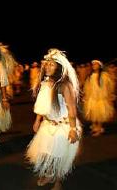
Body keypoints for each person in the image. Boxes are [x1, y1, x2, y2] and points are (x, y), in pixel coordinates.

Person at [26, 49, 82, 190]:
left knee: (58, 157)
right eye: (47, 64)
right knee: (45, 153)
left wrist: (73, 129)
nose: (47, 67)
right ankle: (48, 174)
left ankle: (57, 183)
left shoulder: (64, 85)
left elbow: (72, 109)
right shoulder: (46, 83)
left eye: (52, 64)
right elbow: (42, 104)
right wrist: (37, 120)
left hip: (62, 127)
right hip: (47, 125)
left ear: (59, 67)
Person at [83, 60, 115, 136]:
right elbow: (87, 87)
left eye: (96, 64)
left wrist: (109, 95)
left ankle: (99, 128)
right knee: (93, 113)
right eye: (93, 65)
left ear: (100, 66)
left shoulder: (104, 75)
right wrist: (86, 96)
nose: (94, 66)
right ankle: (94, 126)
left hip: (101, 98)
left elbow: (109, 85)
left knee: (100, 114)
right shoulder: (90, 76)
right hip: (92, 98)